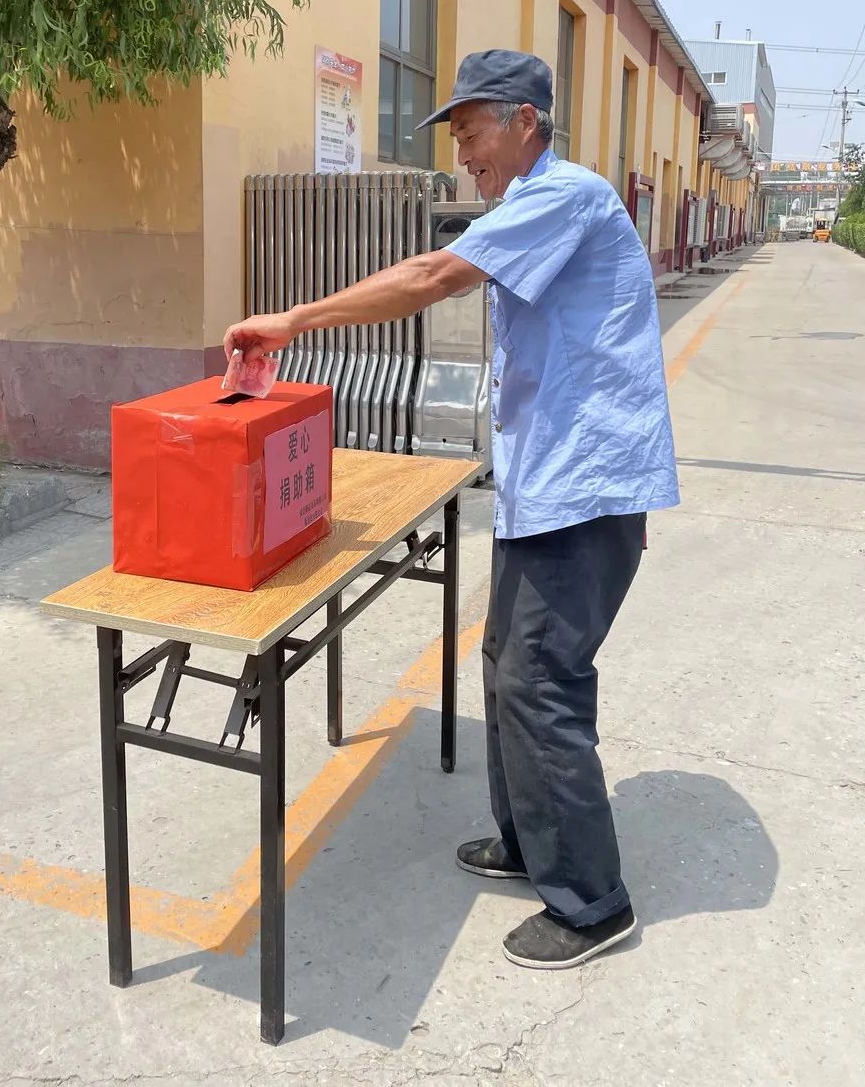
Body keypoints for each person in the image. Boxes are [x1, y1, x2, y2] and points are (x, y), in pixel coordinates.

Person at [223, 49, 679, 970]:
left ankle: (592, 902)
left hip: (585, 493)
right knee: (506, 665)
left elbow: (434, 275)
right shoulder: (529, 206)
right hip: (546, 487)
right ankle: (531, 843)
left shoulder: (565, 196)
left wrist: (293, 321)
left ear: (524, 121)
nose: (462, 153)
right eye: (458, 137)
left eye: (471, 132)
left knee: (540, 684)